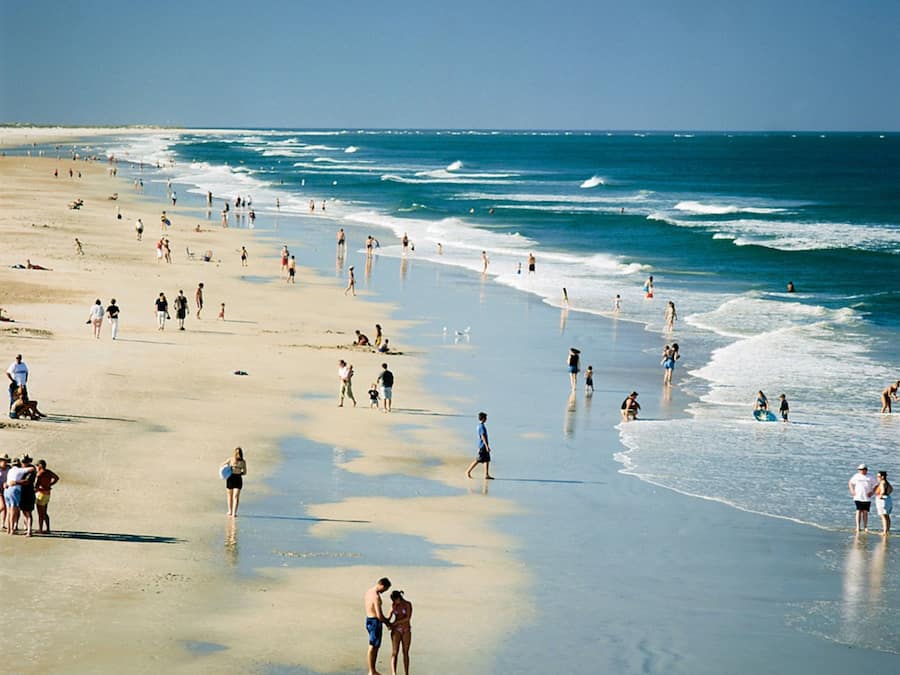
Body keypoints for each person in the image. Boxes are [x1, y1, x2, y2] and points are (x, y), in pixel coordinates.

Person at [364, 578, 392, 675]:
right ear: (382, 586)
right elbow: (379, 615)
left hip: (368, 620)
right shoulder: (375, 596)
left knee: (375, 646)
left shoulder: (369, 591)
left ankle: (373, 670)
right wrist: (388, 623)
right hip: (374, 622)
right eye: (385, 589)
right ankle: (371, 671)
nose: (384, 592)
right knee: (373, 646)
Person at [388, 590, 413, 675]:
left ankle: (407, 673)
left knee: (405, 652)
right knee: (395, 652)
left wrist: (396, 622)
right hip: (396, 630)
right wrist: (388, 623)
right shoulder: (394, 605)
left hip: (406, 629)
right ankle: (394, 673)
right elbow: (389, 616)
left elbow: (407, 618)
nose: (394, 602)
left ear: (399, 598)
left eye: (395, 600)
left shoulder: (407, 604)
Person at [849, 464, 877, 532]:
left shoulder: (870, 477)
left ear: (866, 470)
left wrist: (872, 492)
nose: (861, 471)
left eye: (863, 469)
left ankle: (865, 527)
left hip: (867, 497)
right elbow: (850, 483)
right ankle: (858, 527)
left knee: (865, 512)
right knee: (858, 511)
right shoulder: (856, 476)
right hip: (858, 497)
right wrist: (852, 490)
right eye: (860, 469)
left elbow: (876, 485)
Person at [465, 412, 493, 479]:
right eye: (485, 418)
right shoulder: (482, 426)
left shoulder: (479, 426)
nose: (486, 419)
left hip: (482, 445)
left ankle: (486, 474)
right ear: (483, 418)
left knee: (487, 460)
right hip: (482, 446)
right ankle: (468, 471)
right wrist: (487, 446)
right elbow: (483, 436)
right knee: (478, 460)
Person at [34, 459, 59, 534]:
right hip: (47, 493)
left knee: (40, 512)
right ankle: (48, 528)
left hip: (41, 493)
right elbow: (56, 478)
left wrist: (36, 489)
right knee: (45, 512)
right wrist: (50, 484)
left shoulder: (39, 474)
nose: (37, 467)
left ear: (40, 466)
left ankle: (40, 529)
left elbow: (36, 485)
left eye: (37, 466)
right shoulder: (48, 472)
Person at [224, 447, 247, 517]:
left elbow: (245, 472)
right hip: (230, 478)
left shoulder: (243, 462)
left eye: (239, 453)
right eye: (237, 453)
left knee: (236, 496)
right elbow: (222, 465)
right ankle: (230, 510)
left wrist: (240, 473)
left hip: (238, 478)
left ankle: (234, 512)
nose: (238, 455)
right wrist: (226, 471)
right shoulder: (230, 459)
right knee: (229, 495)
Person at [875, 470, 893, 536]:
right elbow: (891, 489)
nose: (877, 477)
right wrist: (887, 493)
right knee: (887, 515)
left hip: (883, 500)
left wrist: (881, 495)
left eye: (878, 476)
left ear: (882, 477)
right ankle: (887, 530)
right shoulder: (887, 482)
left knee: (883, 516)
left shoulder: (882, 482)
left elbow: (882, 491)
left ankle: (884, 532)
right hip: (888, 498)